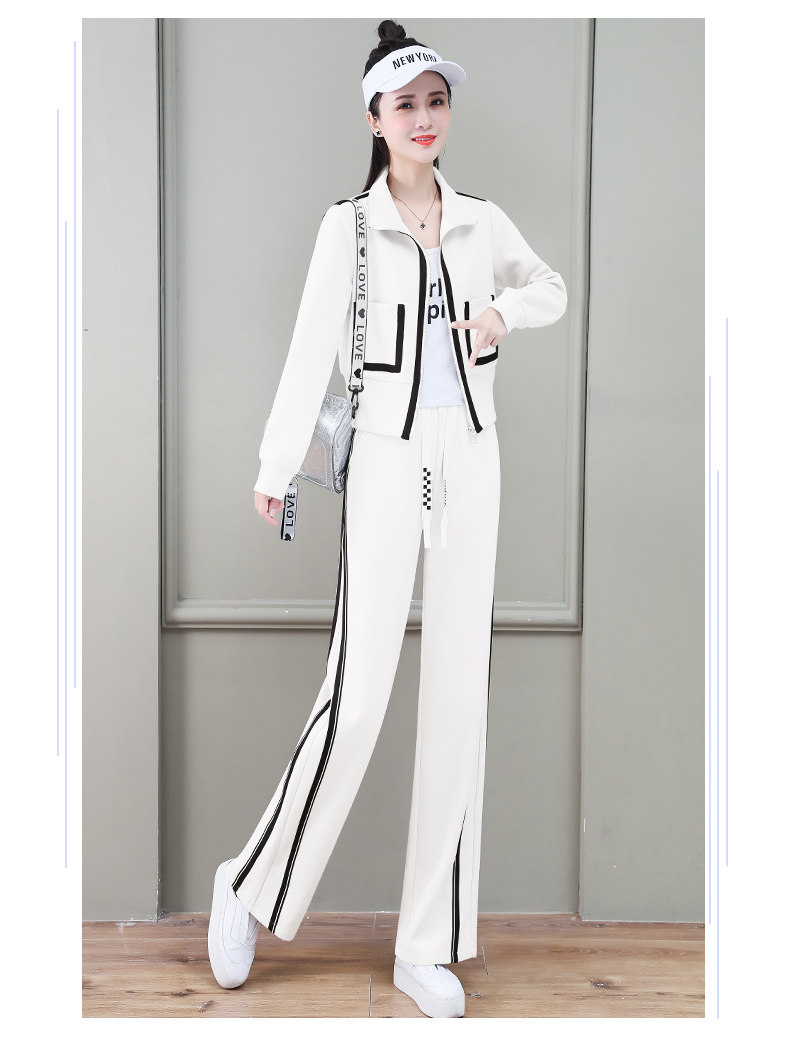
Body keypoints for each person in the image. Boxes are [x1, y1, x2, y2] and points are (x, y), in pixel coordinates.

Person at [208, 19, 567, 1018]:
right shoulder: (350, 230)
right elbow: (306, 348)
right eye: (405, 104)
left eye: (435, 101)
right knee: (357, 695)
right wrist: (276, 465)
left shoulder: (482, 221)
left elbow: (550, 288)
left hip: (472, 464)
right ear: (374, 117)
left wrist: (502, 314)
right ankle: (250, 882)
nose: (423, 118)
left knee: (458, 697)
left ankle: (427, 943)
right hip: (381, 461)